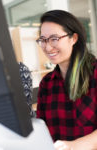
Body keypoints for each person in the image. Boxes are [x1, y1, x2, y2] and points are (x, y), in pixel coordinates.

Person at [36, 10, 97, 150]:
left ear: (73, 38)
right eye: (43, 40)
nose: (47, 46)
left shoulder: (94, 74)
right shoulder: (46, 83)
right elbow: (42, 131)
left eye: (54, 38)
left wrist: (73, 146)